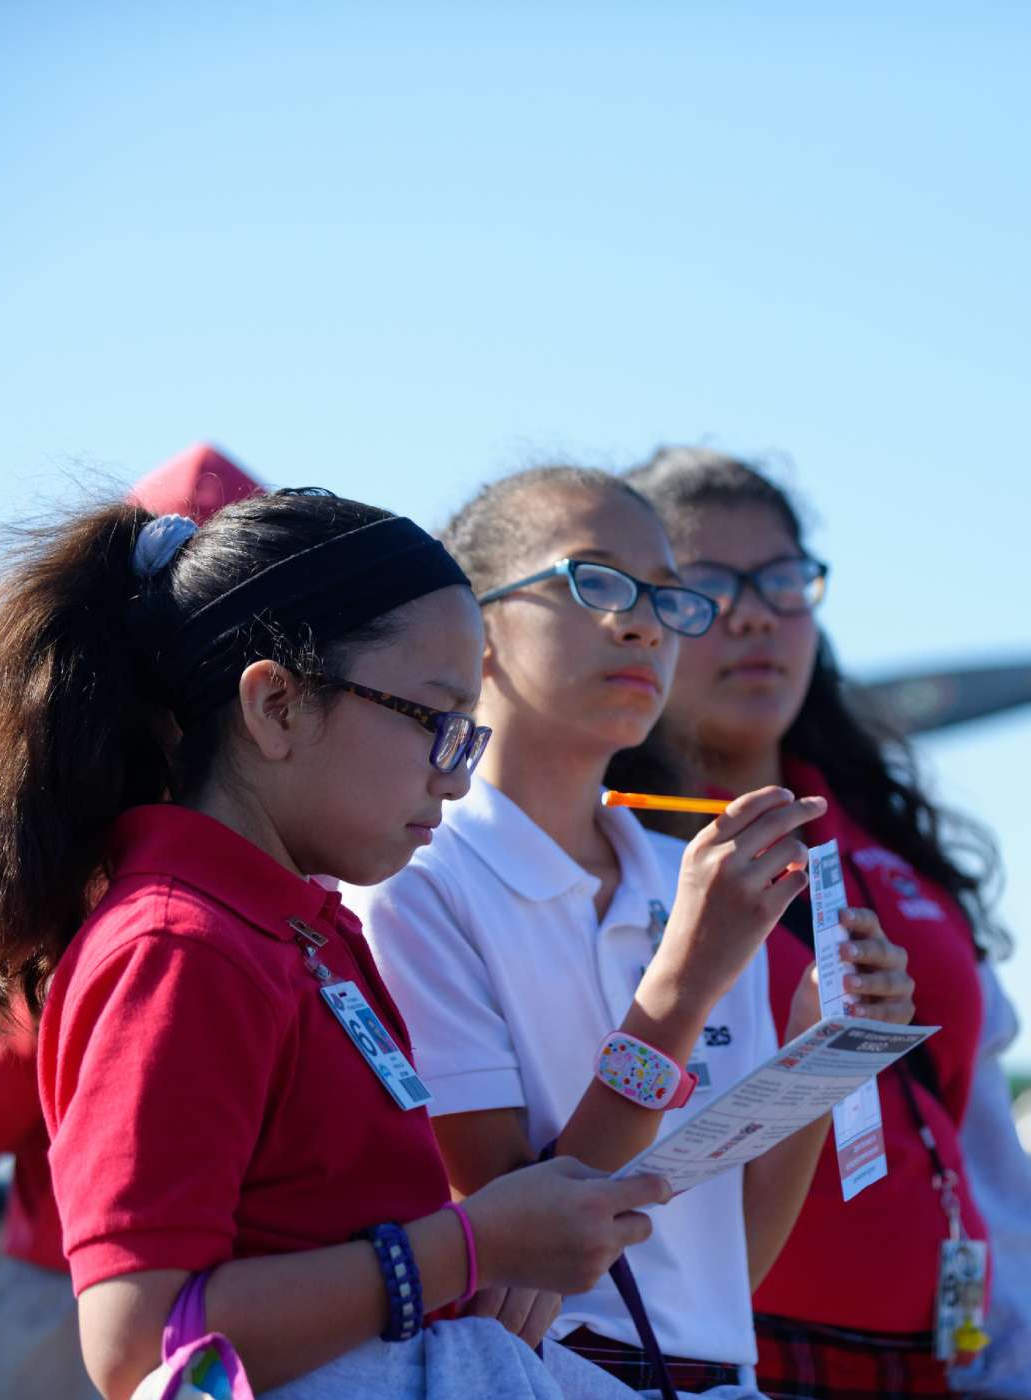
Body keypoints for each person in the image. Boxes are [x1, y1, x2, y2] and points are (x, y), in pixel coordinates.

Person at [0, 483, 675, 1400]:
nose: (455, 782)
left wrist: (482, 1252)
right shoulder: (179, 947)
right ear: (277, 708)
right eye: (437, 724)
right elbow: (141, 1341)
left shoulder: (298, 930)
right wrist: (470, 1246)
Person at [351, 466, 915, 1395]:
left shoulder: (685, 878)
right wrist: (683, 987)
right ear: (476, 628)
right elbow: (508, 1248)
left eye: (666, 595)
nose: (644, 623)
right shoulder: (419, 882)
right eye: (593, 581)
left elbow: (726, 1272)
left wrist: (825, 1048)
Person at [616, 448, 1031, 1399]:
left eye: (783, 581)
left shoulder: (886, 843)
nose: (754, 614)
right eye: (706, 585)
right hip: (721, 1362)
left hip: (942, 1361)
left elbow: (985, 1140)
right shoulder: (600, 851)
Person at [0, 441, 261, 1400]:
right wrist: (81, 979)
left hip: (294, 1291)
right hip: (68, 1295)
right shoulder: (2, 840)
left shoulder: (345, 827)